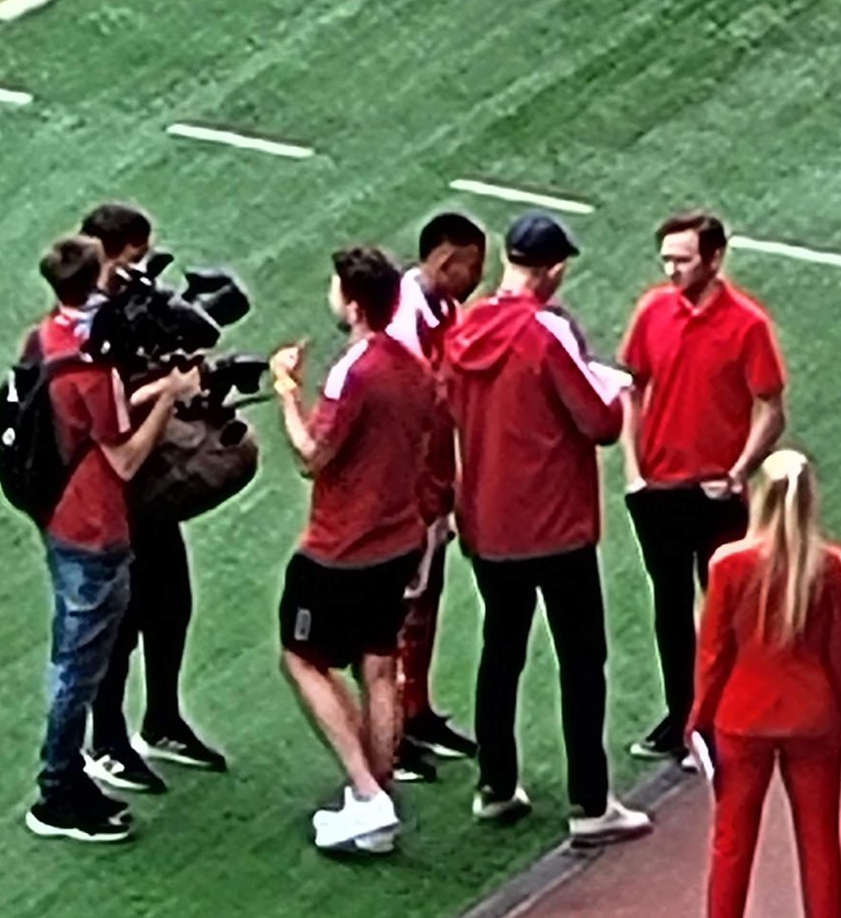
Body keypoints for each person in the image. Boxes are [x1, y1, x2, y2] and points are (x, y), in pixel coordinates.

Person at [446, 211, 650, 848]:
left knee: (500, 649)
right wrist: (613, 390)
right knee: (581, 660)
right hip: (555, 523)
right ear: (554, 267)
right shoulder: (547, 333)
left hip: (487, 517)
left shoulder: (466, 328)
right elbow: (599, 422)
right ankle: (592, 800)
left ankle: (496, 784)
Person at [24, 234, 200, 843]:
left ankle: (67, 773)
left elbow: (101, 420)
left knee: (73, 655)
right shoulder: (91, 369)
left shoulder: (49, 339)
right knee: (81, 666)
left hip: (60, 518)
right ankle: (58, 789)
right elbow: (124, 457)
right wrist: (172, 398)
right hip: (94, 528)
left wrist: (152, 390)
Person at [687, 450, 841, 918]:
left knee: (732, 840)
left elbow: (714, 654)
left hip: (742, 719)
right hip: (813, 719)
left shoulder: (728, 566)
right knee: (819, 839)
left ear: (755, 499)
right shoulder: (832, 566)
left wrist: (698, 722)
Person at [275, 246, 438, 856]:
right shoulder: (415, 368)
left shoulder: (355, 371)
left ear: (351, 301)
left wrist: (287, 392)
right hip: (398, 538)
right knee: (379, 666)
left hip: (340, 548)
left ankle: (369, 794)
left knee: (302, 657)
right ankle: (378, 796)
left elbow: (314, 455)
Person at [620, 212, 786, 763]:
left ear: (714, 259)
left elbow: (770, 407)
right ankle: (683, 717)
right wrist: (633, 471)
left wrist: (739, 471)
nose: (671, 269)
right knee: (669, 607)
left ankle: (729, 713)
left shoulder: (747, 324)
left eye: (683, 259)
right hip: (659, 489)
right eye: (666, 258)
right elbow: (633, 388)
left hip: (717, 491)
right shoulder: (652, 313)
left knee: (724, 610)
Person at [79, 202, 229, 797]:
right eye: (135, 259)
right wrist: (168, 389)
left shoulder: (125, 311)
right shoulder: (85, 323)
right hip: (105, 492)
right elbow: (99, 413)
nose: (140, 270)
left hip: (145, 482)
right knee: (120, 620)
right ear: (113, 252)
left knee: (171, 601)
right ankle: (106, 741)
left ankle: (161, 719)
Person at [388, 210, 487, 781]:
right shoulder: (404, 322)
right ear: (447, 259)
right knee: (400, 606)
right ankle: (392, 731)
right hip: (408, 489)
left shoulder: (443, 310)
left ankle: (416, 709)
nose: (476, 278)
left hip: (434, 482)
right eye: (473, 265)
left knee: (425, 599)